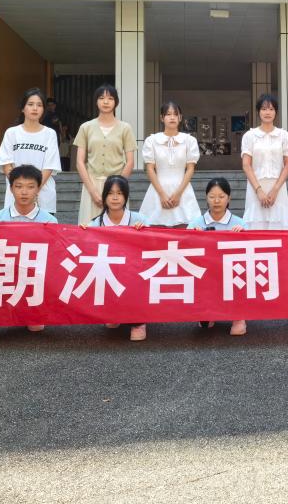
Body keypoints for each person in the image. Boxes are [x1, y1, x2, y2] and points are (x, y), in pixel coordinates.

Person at [0, 164, 58, 346]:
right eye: (18, 186)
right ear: (11, 189)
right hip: (5, 271)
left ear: (38, 189)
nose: (24, 192)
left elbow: (54, 255)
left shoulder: (50, 221)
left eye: (30, 187)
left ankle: (33, 314)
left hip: (33, 273)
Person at [83, 175, 148, 340]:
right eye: (110, 193)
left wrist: (143, 231)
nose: (115, 197)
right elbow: (85, 245)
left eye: (119, 193)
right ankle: (113, 313)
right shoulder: (96, 223)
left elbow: (150, 245)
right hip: (108, 273)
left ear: (126, 196)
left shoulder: (139, 219)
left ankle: (138, 322)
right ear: (104, 196)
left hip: (133, 272)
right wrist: (81, 232)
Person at [187, 177, 247, 336]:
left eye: (221, 196)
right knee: (204, 325)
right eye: (212, 196)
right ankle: (208, 312)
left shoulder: (240, 223)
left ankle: (238, 317)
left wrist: (243, 235)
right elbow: (185, 250)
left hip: (232, 272)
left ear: (229, 198)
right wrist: (193, 236)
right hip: (206, 273)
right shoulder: (195, 223)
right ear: (206, 198)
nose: (217, 201)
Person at [74, 83, 136, 225]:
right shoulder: (86, 127)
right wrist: (92, 191)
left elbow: (130, 161)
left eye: (110, 98)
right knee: (89, 228)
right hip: (92, 184)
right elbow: (79, 161)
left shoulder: (125, 128)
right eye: (101, 98)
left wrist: (118, 186)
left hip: (117, 186)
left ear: (116, 102)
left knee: (117, 228)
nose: (106, 102)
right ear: (96, 101)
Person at [0, 87, 61, 216]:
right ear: (23, 108)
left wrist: (34, 190)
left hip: (43, 197)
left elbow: (49, 166)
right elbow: (7, 165)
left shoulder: (50, 134)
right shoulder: (11, 133)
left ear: (43, 109)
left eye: (39, 105)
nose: (35, 108)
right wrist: (20, 188)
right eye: (30, 104)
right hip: (15, 198)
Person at [138, 100, 200, 226]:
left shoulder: (189, 140)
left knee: (186, 227)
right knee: (154, 228)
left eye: (175, 114)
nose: (172, 117)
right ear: (162, 118)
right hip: (157, 190)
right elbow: (150, 168)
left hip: (183, 190)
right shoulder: (152, 140)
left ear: (180, 117)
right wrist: (161, 194)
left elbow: (190, 168)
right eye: (168, 114)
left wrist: (178, 194)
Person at [241, 93, 288, 230]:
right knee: (255, 226)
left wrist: (275, 190)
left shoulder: (283, 136)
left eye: (271, 109)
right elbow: (246, 165)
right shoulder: (250, 136)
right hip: (255, 186)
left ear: (276, 112)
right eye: (264, 109)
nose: (267, 112)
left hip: (278, 187)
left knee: (279, 227)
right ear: (258, 112)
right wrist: (258, 191)